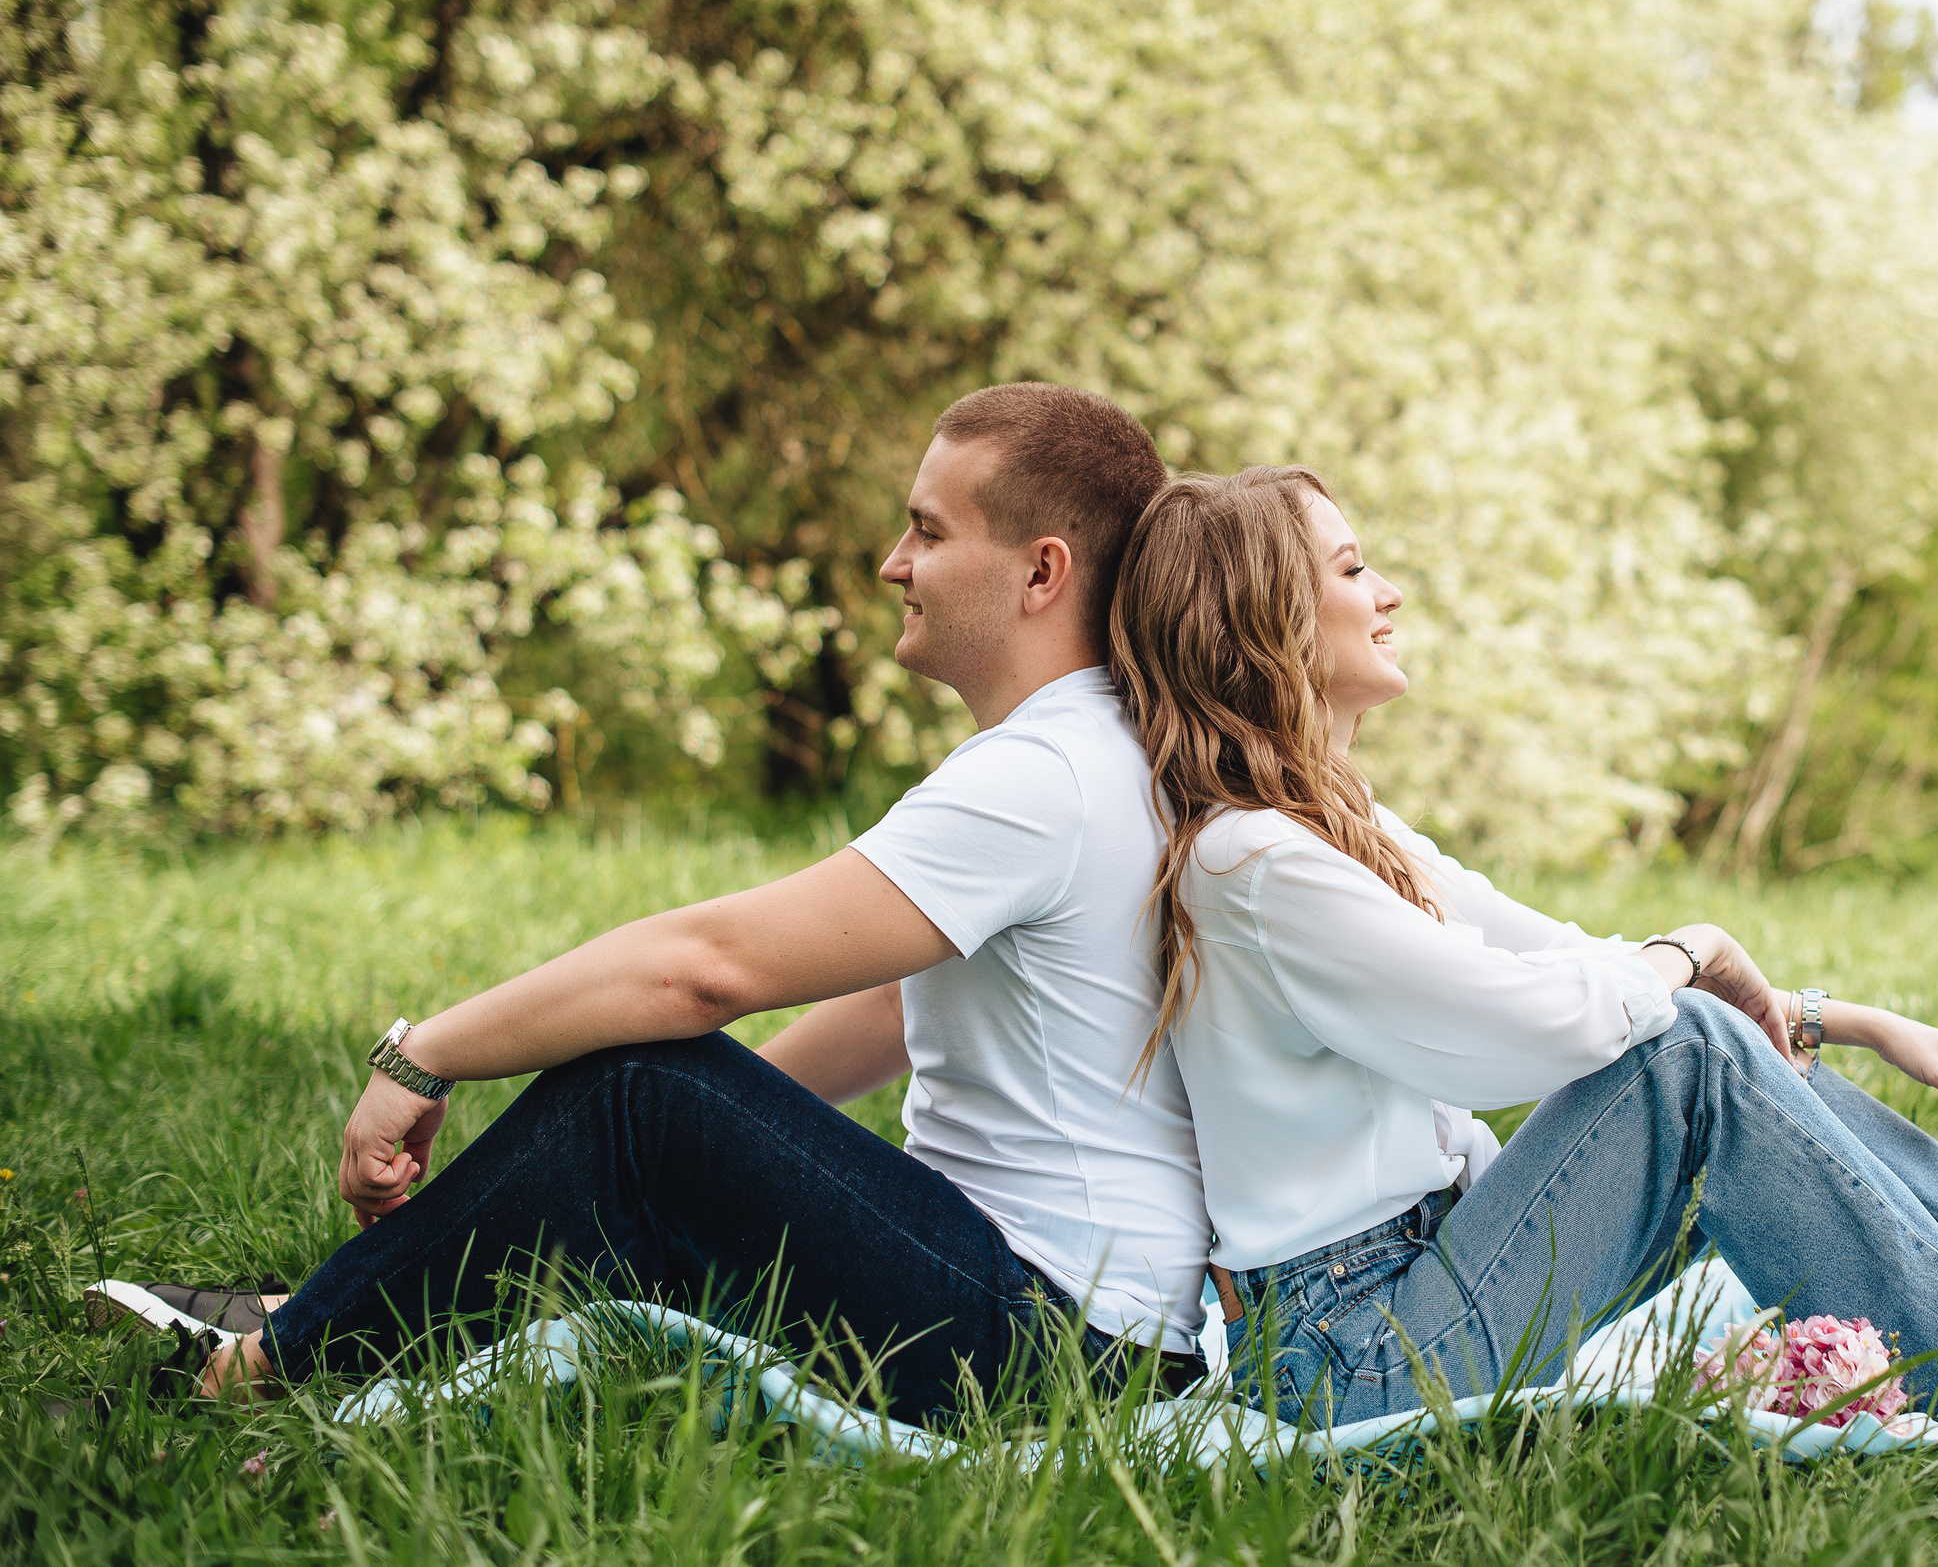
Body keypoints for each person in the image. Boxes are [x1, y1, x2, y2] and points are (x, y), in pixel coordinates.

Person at [1106, 464, 1938, 1428]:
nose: (1390, 593)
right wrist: (1693, 951)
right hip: (1355, 1355)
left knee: (1683, 1030)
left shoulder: (1339, 830)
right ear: (1260, 618)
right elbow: (1526, 1036)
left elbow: (1562, 959)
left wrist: (1834, 1018)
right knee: (1676, 1036)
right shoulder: (1248, 865)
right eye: (1354, 567)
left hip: (1437, 1281)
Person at [93, 383, 1211, 1422]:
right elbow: (895, 1010)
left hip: (1053, 1347)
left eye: (927, 530)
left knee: (638, 1078)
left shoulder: (1044, 778)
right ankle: (325, 1317)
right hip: (1087, 1336)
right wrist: (712, 1154)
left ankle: (250, 1376)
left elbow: (699, 970)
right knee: (657, 1113)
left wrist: (421, 1058)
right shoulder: (1099, 751)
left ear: (1040, 571)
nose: (890, 563)